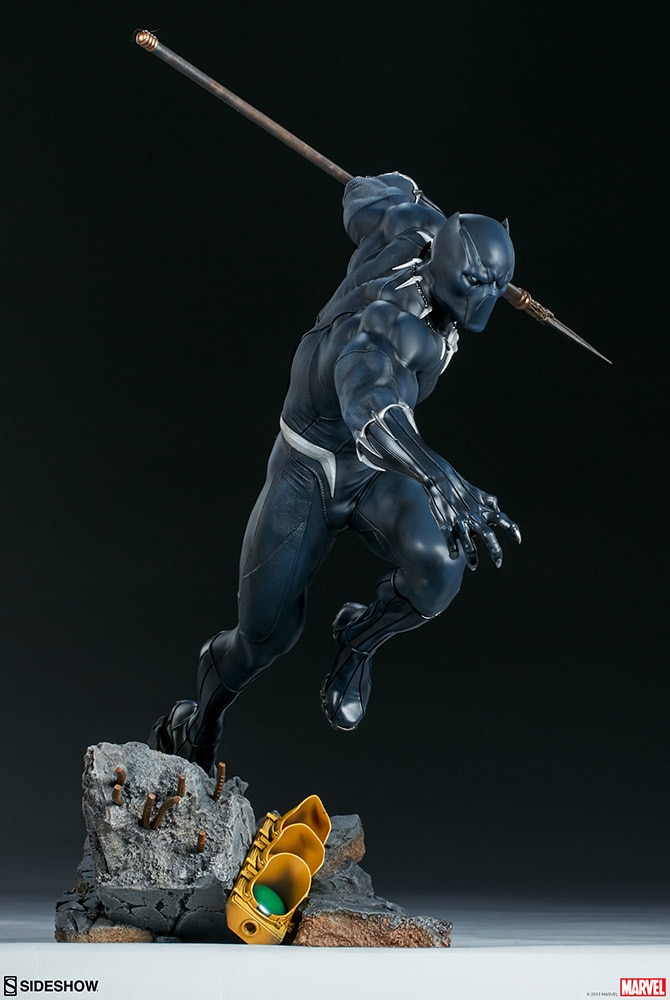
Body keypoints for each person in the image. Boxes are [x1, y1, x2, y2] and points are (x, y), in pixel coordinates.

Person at [150, 171, 520, 773]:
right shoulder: (389, 324)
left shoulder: (415, 225)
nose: (487, 300)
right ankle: (199, 724)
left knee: (441, 559)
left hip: (374, 473)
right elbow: (370, 407)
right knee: (264, 637)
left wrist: (410, 198)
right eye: (480, 287)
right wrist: (440, 476)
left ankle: (357, 642)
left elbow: (365, 194)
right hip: (312, 466)